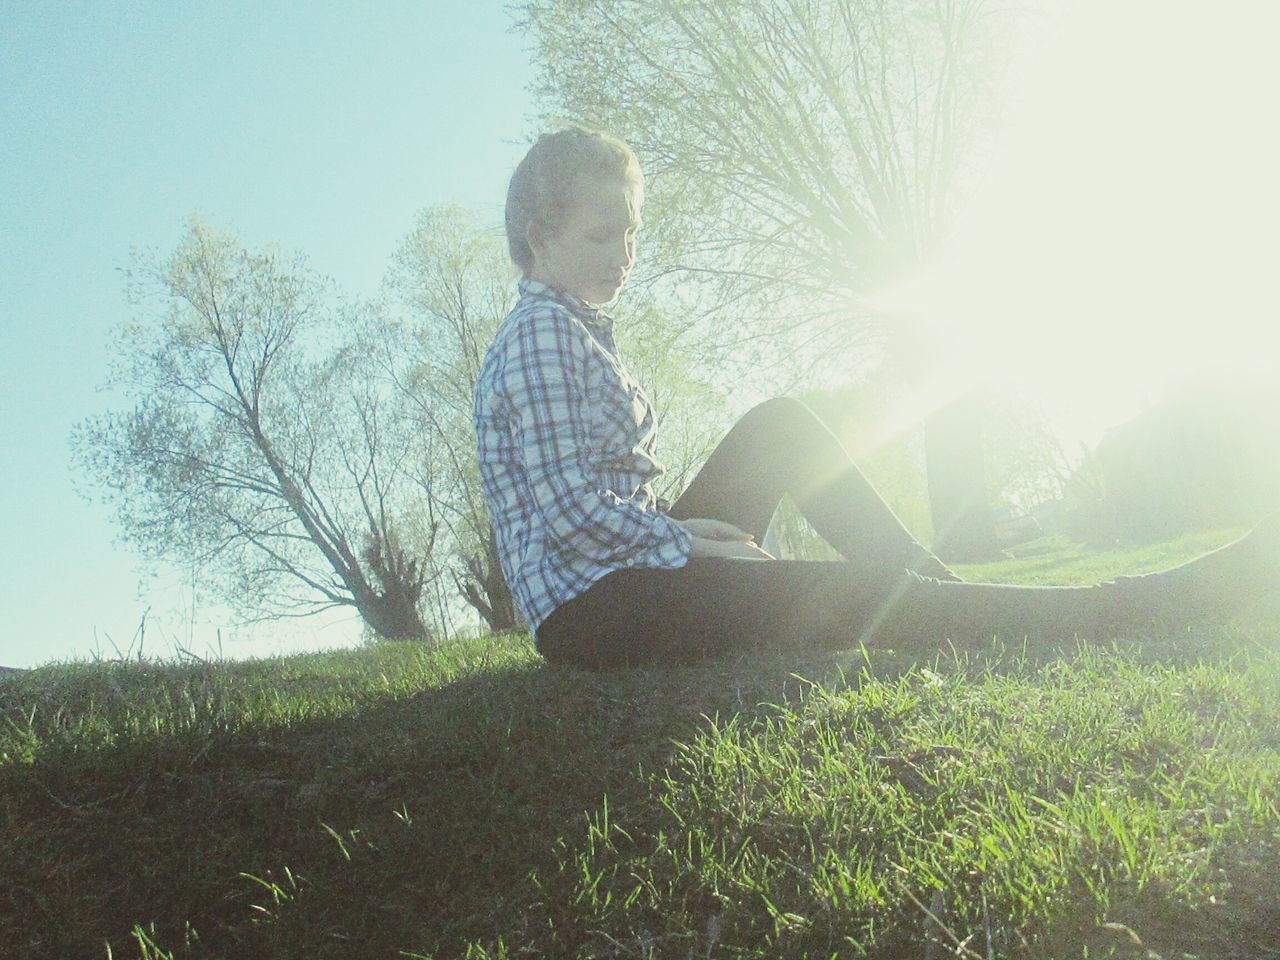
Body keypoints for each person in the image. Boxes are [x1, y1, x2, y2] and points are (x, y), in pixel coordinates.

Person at [473, 125, 1276, 670]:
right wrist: (693, 547)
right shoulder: (542, 334)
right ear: (538, 238)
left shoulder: (573, 325)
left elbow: (597, 506)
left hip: (627, 567)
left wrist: (679, 532)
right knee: (849, 594)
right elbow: (569, 515)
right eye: (600, 236)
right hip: (595, 610)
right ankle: (1133, 609)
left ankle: (948, 595)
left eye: (631, 232)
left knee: (780, 429)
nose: (624, 255)